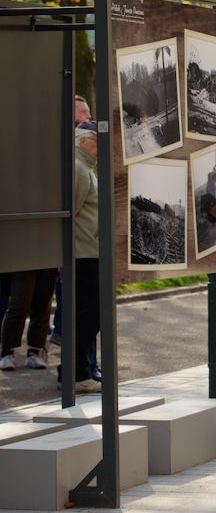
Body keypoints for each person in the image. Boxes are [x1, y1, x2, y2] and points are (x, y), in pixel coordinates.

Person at [55, 120, 102, 393]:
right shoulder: (79, 169)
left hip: (89, 251)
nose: (102, 148)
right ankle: (76, 373)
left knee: (90, 314)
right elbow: (69, 213)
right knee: (89, 315)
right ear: (84, 141)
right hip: (83, 254)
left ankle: (78, 370)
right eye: (98, 142)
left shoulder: (85, 168)